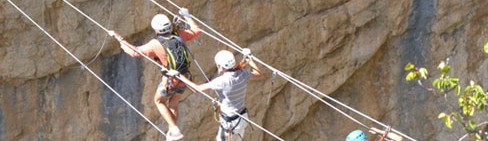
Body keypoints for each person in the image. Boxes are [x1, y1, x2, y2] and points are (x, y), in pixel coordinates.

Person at [108, 8, 201, 141]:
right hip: (184, 77)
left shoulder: (155, 44)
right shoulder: (179, 35)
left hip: (170, 80)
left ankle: (174, 129)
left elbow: (134, 52)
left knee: (159, 101)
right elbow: (196, 30)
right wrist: (187, 16)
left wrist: (118, 38)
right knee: (173, 104)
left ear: (156, 30)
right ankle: (173, 131)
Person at [174, 49, 262, 141]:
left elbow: (197, 89)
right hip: (242, 119)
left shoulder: (221, 81)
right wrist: (250, 61)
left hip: (230, 123)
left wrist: (180, 76)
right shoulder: (243, 74)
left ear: (220, 66)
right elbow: (258, 74)